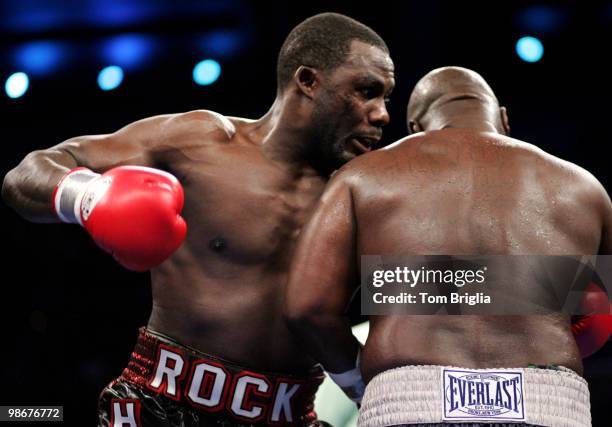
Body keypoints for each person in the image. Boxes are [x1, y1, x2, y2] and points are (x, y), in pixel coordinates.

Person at [1, 13, 395, 426]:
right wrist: (91, 196)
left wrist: (368, 382)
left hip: (290, 414)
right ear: (308, 81)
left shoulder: (367, 196)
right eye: (366, 91)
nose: (382, 114)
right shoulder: (200, 144)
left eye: (385, 97)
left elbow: (437, 288)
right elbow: (26, 175)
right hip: (162, 405)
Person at [284, 66, 611, 426]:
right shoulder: (585, 189)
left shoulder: (363, 176)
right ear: (503, 119)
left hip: (411, 399)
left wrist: (360, 383)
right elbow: (600, 311)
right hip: (548, 404)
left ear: (415, 128)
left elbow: (308, 308)